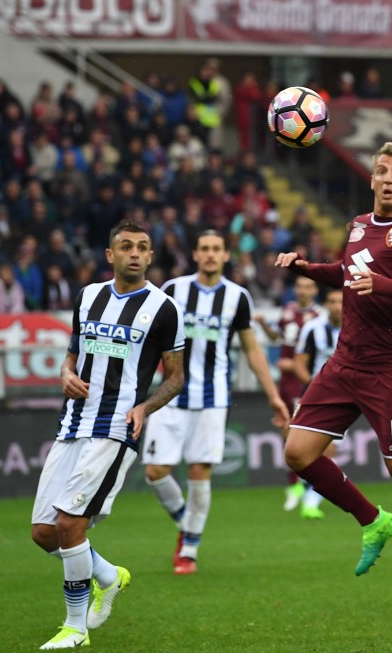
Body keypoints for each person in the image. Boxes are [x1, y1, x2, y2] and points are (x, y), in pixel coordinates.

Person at [273, 141, 392, 619]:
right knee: (297, 453)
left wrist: (386, 285)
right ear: (372, 179)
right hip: (345, 363)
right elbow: (347, 275)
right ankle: (373, 520)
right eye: (380, 170)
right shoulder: (360, 225)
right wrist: (305, 268)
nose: (386, 178)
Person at [31, 221, 185, 649]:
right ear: (110, 255)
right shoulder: (88, 297)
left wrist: (144, 406)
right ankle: (108, 575)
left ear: (151, 257)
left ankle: (75, 628)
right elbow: (72, 355)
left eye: (142, 247)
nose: (134, 253)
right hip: (73, 422)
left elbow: (175, 378)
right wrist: (64, 373)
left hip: (116, 428)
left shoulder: (164, 308)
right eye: (126, 246)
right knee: (44, 533)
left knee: (69, 524)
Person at [140, 230, 290, 575]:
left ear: (225, 255)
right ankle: (185, 520)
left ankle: (189, 548)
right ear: (195, 254)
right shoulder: (174, 290)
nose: (210, 254)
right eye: (204, 248)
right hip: (171, 396)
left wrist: (274, 397)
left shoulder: (237, 297)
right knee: (155, 472)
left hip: (213, 398)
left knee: (199, 471)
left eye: (216, 249)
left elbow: (252, 349)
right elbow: (152, 341)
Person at [255, 274, 325, 510]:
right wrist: (264, 324)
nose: (303, 290)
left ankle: (306, 487)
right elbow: (277, 337)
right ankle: (295, 484)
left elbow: (317, 352)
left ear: (315, 291)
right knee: (285, 431)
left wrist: (294, 364)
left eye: (308, 286)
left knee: (299, 434)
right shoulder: (288, 309)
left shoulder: (318, 318)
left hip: (301, 382)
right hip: (284, 382)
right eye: (300, 286)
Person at [290, 288, 344, 519]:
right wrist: (315, 387)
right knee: (309, 449)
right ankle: (311, 501)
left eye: (341, 302)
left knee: (325, 450)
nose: (336, 306)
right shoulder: (312, 328)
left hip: (344, 398)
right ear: (326, 304)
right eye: (331, 301)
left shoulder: (358, 328)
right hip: (314, 395)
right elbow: (299, 363)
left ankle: (307, 492)